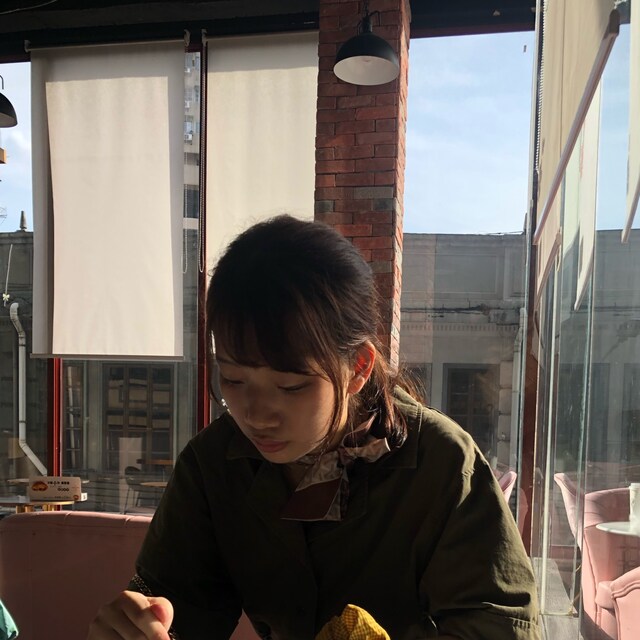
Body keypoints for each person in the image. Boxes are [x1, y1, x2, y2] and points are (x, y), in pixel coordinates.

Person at [88, 215, 541, 640]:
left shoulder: (440, 465)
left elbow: (501, 625)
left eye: (291, 386)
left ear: (358, 367)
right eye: (233, 379)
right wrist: (138, 625)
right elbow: (176, 603)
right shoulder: (214, 465)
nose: (256, 415)